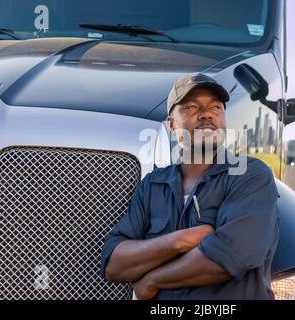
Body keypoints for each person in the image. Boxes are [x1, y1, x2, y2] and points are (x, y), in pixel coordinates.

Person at [100, 73, 280, 300]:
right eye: (192, 107)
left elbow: (231, 256)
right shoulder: (152, 185)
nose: (206, 114)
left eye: (216, 107)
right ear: (172, 124)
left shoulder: (249, 175)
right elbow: (114, 265)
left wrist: (152, 279)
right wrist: (180, 240)